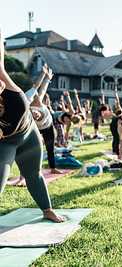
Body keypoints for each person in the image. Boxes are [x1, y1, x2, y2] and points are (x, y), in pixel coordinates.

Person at [0, 26, 66, 222]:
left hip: (29, 137)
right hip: (6, 144)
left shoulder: (16, 97)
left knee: (34, 174)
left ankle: (47, 210)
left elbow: (0, 65)